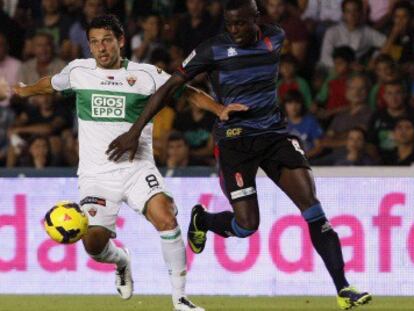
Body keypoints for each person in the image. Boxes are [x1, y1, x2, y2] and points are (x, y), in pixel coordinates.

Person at [105, 1, 372, 309]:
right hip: (235, 142)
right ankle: (202, 219)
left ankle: (343, 289)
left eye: (241, 24)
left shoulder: (276, 38)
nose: (235, 31)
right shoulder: (212, 49)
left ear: (255, 19)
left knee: (313, 210)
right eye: (229, 25)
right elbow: (171, 87)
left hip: (274, 136)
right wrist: (135, 130)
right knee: (246, 226)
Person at [12, 14, 246, 311]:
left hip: (137, 168)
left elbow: (186, 92)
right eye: (94, 42)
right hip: (96, 176)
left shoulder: (146, 75)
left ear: (120, 41)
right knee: (93, 244)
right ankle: (121, 260)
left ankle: (180, 299)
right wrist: (25, 89)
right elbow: (50, 84)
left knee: (166, 217)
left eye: (107, 41)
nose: (101, 48)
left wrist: (219, 109)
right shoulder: (79, 71)